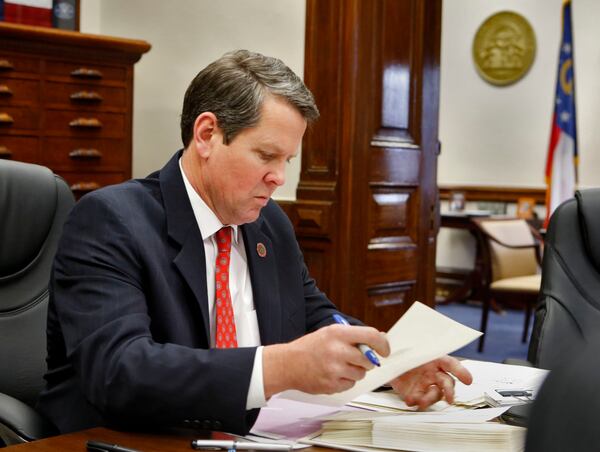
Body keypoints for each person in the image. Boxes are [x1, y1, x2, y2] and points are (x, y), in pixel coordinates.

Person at [37, 49, 471, 434]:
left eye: (287, 160)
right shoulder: (111, 220)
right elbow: (120, 372)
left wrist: (387, 362)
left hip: (257, 437)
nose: (279, 177)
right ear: (207, 135)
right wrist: (280, 367)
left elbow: (314, 314)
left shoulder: (269, 224)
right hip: (131, 440)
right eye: (266, 156)